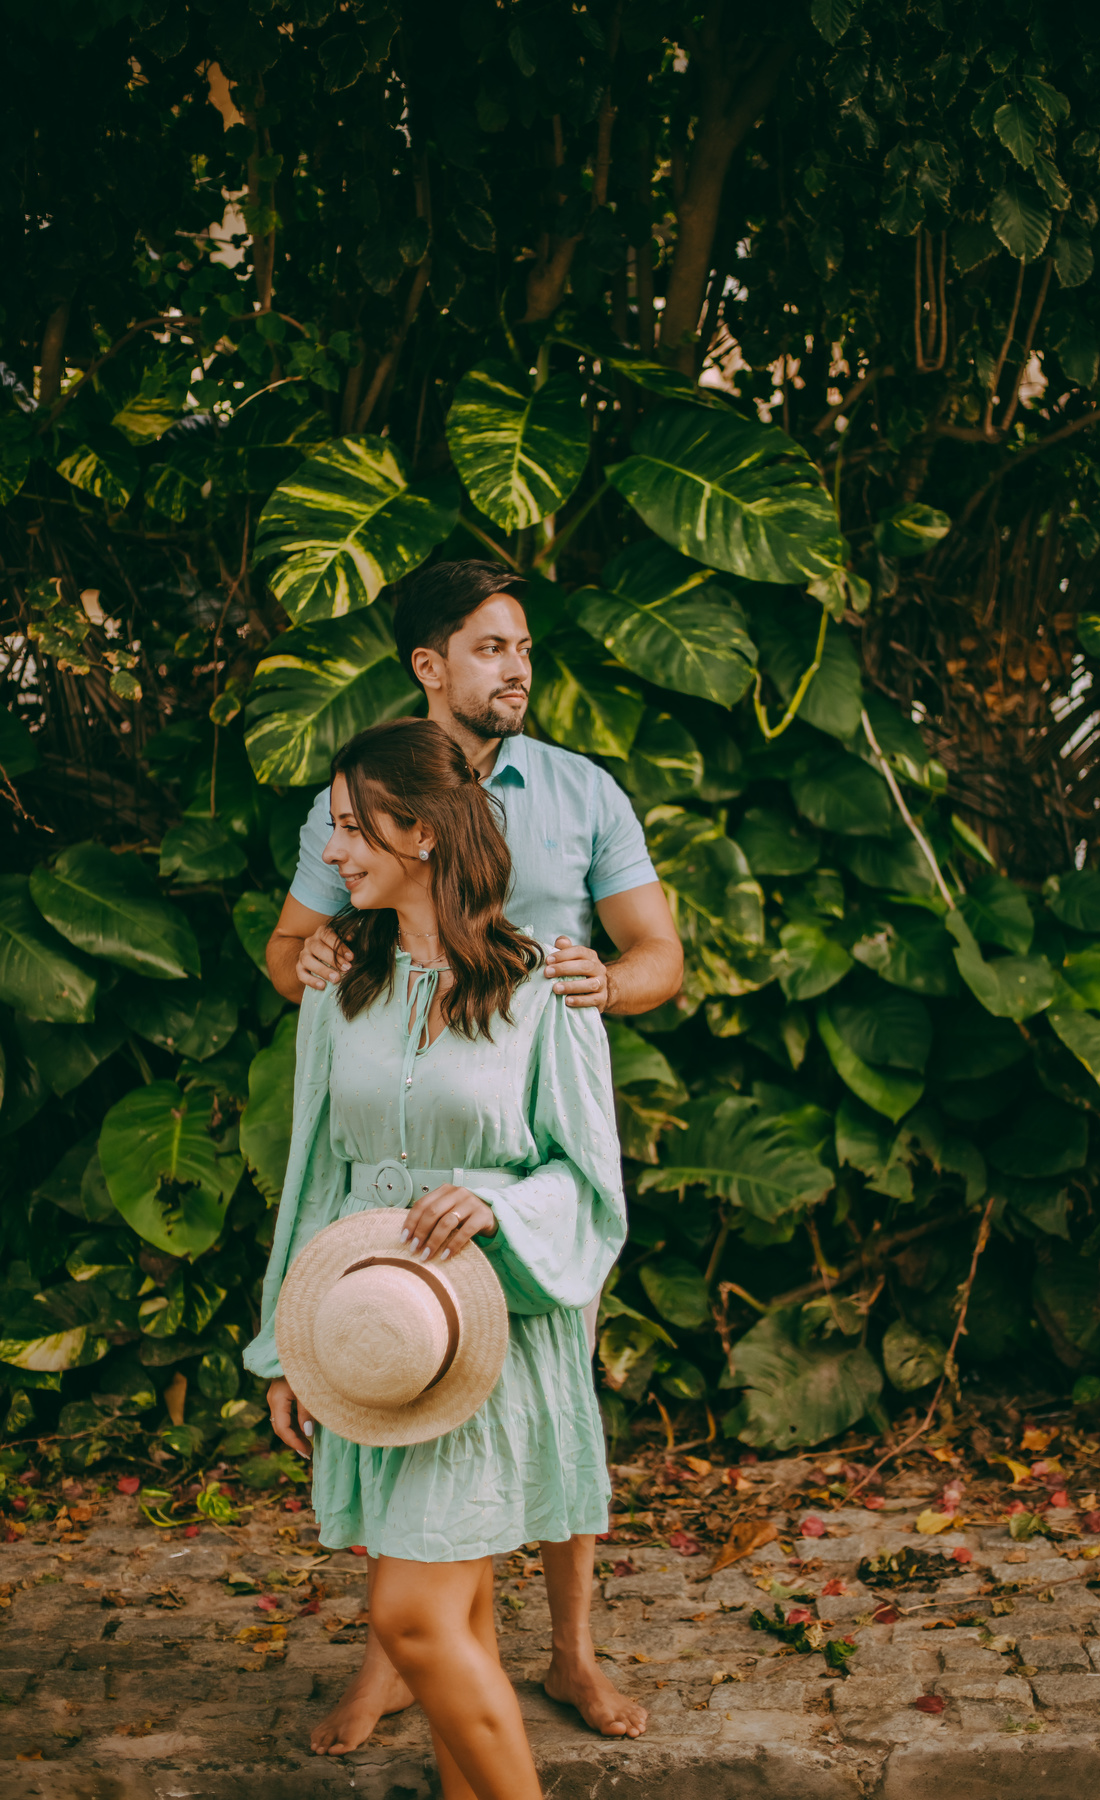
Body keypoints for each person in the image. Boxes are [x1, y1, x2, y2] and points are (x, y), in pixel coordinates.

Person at [264, 560, 682, 1753]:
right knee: (406, 1457)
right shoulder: (363, 802)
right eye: (494, 648)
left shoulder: (580, 793)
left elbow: (656, 952)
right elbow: (296, 946)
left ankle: (568, 1652)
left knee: (547, 1436)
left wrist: (598, 988)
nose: (519, 669)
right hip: (384, 1181)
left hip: (524, 1126)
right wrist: (323, 974)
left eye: (525, 649)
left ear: (423, 835)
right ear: (430, 666)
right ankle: (415, 1661)